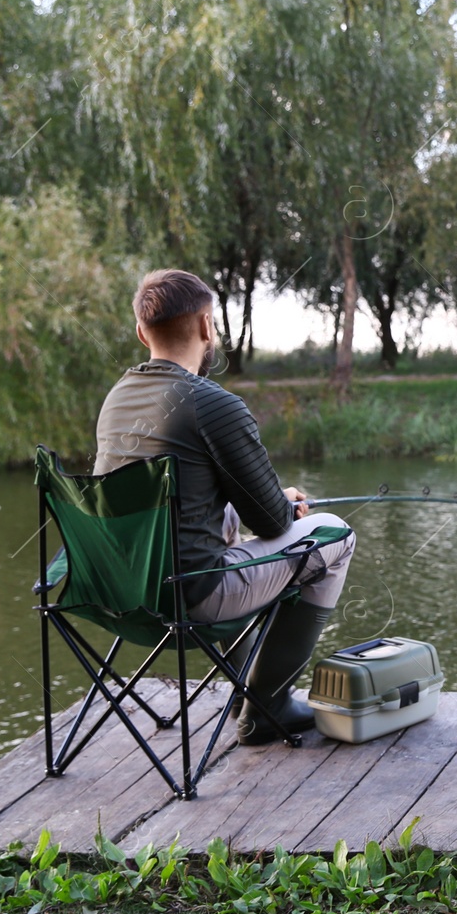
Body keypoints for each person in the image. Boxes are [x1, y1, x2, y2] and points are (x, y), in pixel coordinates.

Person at [93, 269, 355, 746]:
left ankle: (244, 691)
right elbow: (273, 522)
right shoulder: (214, 404)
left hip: (119, 593)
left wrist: (268, 501)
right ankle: (266, 705)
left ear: (140, 333)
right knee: (335, 533)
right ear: (207, 327)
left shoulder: (116, 401)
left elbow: (193, 504)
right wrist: (284, 502)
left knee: (223, 517)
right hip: (191, 598)